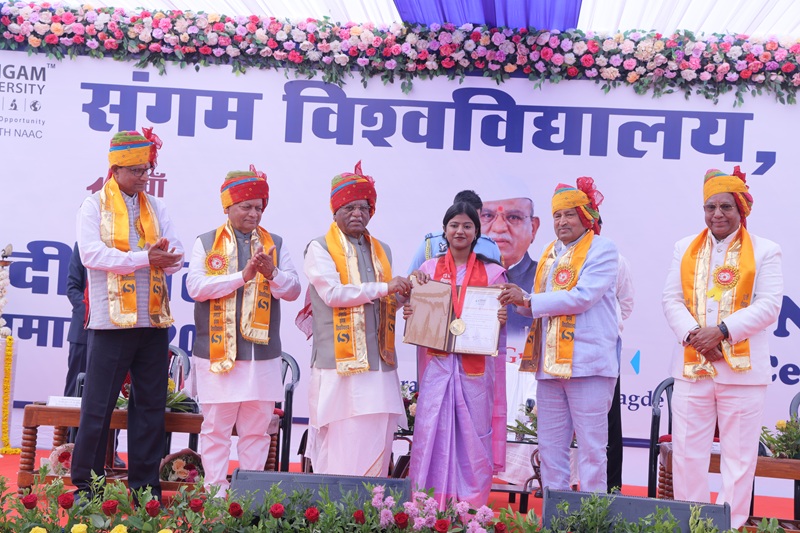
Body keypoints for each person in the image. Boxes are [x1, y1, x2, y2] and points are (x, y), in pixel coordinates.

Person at [662, 167, 782, 528]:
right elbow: (671, 300)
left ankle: (728, 526)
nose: (717, 214)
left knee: (739, 459)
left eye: (726, 206)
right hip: (692, 368)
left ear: (741, 209)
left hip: (742, 374)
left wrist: (722, 332)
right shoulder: (684, 247)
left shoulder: (765, 250)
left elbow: (769, 305)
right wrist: (696, 336)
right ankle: (692, 524)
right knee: (687, 454)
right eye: (710, 206)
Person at [72, 129, 184, 503]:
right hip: (110, 324)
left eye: (146, 169)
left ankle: (144, 489)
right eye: (136, 170)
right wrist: (144, 258)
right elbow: (91, 255)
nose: (143, 176)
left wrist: (166, 258)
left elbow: (176, 255)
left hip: (152, 322)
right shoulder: (93, 206)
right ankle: (87, 487)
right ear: (116, 169)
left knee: (150, 407)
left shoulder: (158, 208)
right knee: (98, 407)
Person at [498, 177, 619, 493]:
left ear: (586, 217)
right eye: (557, 215)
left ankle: (592, 515)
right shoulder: (549, 252)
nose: (562, 221)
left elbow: (582, 297)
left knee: (591, 449)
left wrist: (529, 300)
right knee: (550, 448)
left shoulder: (603, 249)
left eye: (569, 214)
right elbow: (541, 305)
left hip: (588, 365)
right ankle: (556, 513)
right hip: (549, 366)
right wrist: (518, 300)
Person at [186, 166, 300, 495]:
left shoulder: (275, 243)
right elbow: (195, 287)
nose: (254, 213)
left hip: (262, 358)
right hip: (217, 353)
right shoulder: (206, 242)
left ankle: (249, 497)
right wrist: (242, 276)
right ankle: (215, 495)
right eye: (246, 206)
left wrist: (273, 273)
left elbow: (293, 290)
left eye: (259, 207)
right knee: (216, 431)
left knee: (256, 432)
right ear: (228, 206)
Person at [302, 162, 412, 476]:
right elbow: (333, 294)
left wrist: (406, 295)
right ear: (335, 211)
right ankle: (334, 504)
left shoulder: (382, 250)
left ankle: (370, 503)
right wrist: (385, 287)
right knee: (341, 437)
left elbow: (381, 304)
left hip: (379, 365)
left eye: (364, 207)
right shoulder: (319, 248)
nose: (357, 214)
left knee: (377, 435)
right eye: (349, 207)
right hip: (338, 364)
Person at [405, 202, 508, 507]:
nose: (460, 231)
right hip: (437, 367)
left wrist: (500, 319)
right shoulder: (427, 271)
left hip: (475, 372)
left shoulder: (493, 273)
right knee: (432, 433)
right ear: (444, 230)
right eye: (454, 225)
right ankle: (427, 506)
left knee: (472, 438)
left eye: (467, 226)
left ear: (477, 232)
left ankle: (470, 508)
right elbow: (416, 313)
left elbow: (497, 327)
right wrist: (412, 310)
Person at [480, 197, 540, 339]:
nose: (499, 227)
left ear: (533, 228)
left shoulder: (546, 276)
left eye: (513, 217)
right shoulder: (462, 275)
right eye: (487, 216)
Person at [407, 190, 500, 273]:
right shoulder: (431, 242)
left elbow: (498, 281)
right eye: (455, 225)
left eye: (473, 218)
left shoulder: (490, 246)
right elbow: (413, 277)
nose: (460, 231)